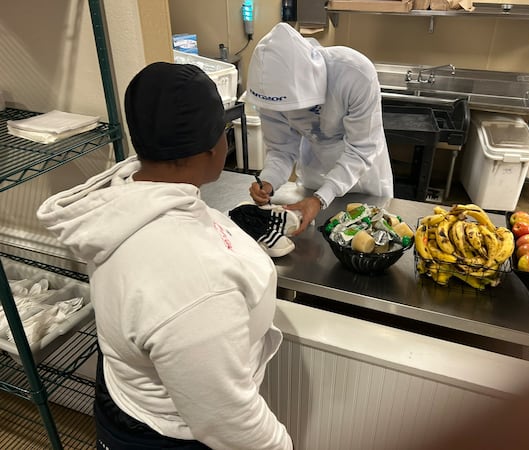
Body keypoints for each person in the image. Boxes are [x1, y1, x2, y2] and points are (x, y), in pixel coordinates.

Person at [37, 62, 292, 450]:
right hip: (171, 434)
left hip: (127, 399)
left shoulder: (122, 201)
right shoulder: (196, 285)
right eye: (224, 133)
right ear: (211, 149)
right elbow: (228, 421)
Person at [246, 22, 394, 235]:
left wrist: (320, 198)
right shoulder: (269, 93)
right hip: (314, 174)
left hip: (365, 180)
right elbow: (281, 149)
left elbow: (360, 149)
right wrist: (268, 181)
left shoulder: (354, 74)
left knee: (367, 238)